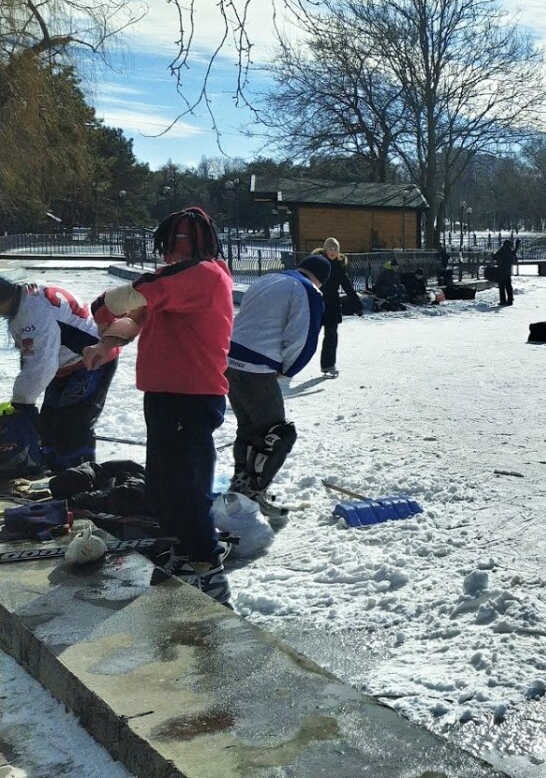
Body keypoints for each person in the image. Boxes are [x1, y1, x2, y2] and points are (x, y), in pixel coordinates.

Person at [82, 207, 235, 604]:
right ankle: (178, 549)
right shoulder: (179, 282)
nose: (167, 256)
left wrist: (102, 305)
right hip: (164, 395)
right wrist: (105, 343)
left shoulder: (203, 275)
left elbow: (137, 291)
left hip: (193, 395)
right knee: (164, 484)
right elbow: (135, 319)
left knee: (188, 485)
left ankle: (206, 565)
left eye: (172, 247)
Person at [226, 255, 327, 521]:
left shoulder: (268, 279)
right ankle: (254, 492)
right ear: (320, 279)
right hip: (257, 367)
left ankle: (240, 484)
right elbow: (303, 337)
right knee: (278, 434)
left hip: (229, 361)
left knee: (248, 428)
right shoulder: (308, 290)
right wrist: (288, 369)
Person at [0, 277, 120, 473]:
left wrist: (23, 402)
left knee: (72, 423)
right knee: (48, 423)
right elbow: (34, 357)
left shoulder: (33, 314)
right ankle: (56, 471)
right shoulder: (23, 298)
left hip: (92, 359)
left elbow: (42, 363)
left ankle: (81, 477)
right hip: (64, 362)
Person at [316, 238, 360, 378]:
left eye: (335, 249)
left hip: (333, 304)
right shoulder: (318, 264)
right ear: (325, 249)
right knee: (308, 336)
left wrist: (357, 302)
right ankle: (289, 363)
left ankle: (328, 365)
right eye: (330, 249)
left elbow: (347, 286)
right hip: (317, 302)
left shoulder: (339, 267)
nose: (333, 252)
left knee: (331, 336)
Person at [494, 240, 517, 306]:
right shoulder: (510, 251)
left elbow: (495, 256)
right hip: (507, 270)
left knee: (502, 286)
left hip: (501, 270)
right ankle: (509, 300)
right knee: (508, 286)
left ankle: (503, 300)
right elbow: (513, 259)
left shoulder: (502, 250)